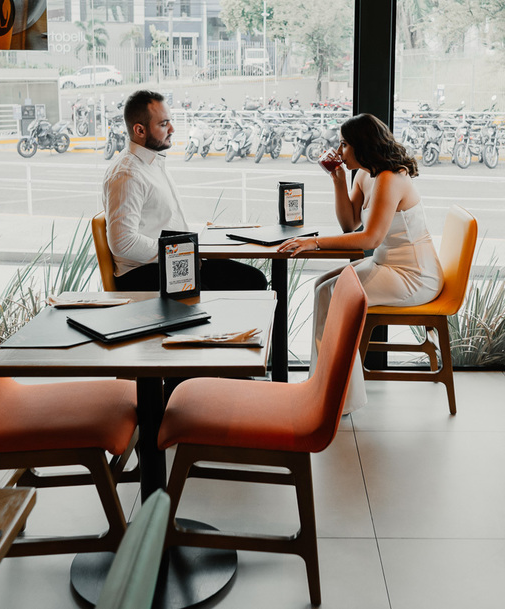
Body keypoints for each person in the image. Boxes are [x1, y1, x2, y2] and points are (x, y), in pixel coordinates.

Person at [278, 114, 444, 413]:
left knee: (331, 294)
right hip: (387, 267)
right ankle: (326, 387)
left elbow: (369, 240)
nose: (339, 152)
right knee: (321, 287)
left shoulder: (390, 178)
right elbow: (349, 224)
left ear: (361, 145)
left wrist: (314, 241)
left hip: (413, 276)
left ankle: (335, 397)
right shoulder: (366, 174)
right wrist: (338, 181)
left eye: (344, 145)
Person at [102, 89, 267, 291]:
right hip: (142, 274)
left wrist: (187, 250)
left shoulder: (151, 162)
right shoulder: (127, 174)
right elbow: (123, 243)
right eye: (163, 124)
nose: (172, 128)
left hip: (170, 261)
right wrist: (182, 252)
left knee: (253, 280)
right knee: (221, 292)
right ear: (140, 130)